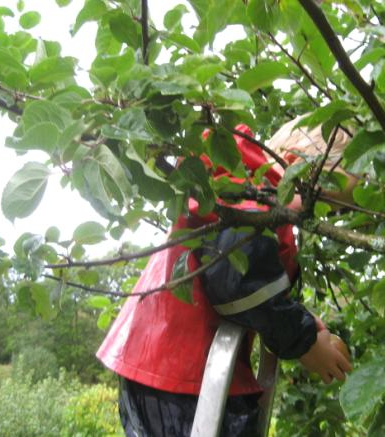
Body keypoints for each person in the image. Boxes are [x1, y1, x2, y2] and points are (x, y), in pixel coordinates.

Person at [96, 124, 352, 436]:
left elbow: (252, 282)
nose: (318, 215)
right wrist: (305, 339)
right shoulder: (254, 200)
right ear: (294, 164)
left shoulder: (231, 185)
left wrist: (295, 317)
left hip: (162, 361)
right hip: (184, 370)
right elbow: (239, 285)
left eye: (334, 210)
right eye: (322, 199)